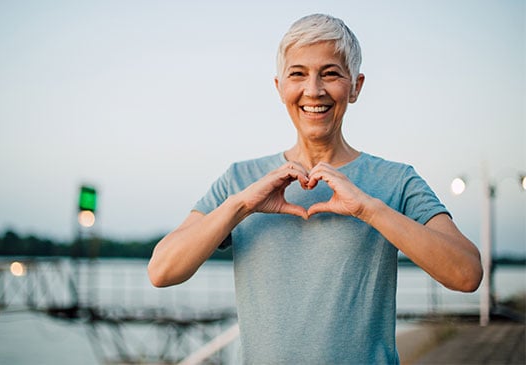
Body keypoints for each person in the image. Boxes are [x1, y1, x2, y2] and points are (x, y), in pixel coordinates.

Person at [148, 13, 483, 364]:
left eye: (331, 73)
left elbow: (466, 274)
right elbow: (162, 270)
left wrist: (368, 209)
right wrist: (242, 206)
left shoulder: (396, 180)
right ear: (279, 87)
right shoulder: (240, 180)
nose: (314, 90)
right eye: (298, 74)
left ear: (355, 86)